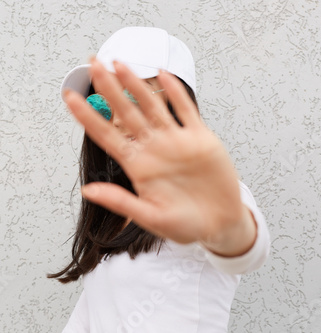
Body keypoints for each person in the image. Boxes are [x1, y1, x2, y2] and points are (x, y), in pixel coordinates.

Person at [48, 26, 270, 333]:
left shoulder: (207, 194)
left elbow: (244, 246)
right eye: (101, 105)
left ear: (177, 104)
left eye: (133, 98)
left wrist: (223, 224)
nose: (119, 119)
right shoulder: (120, 211)